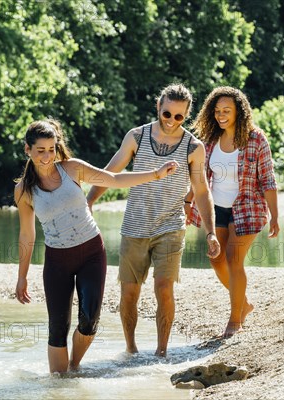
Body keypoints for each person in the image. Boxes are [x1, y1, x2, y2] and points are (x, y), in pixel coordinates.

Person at [14, 119, 179, 373]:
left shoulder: (73, 169)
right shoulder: (24, 190)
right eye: (40, 151)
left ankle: (74, 366)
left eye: (51, 149)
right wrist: (22, 276)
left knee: (89, 320)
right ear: (28, 150)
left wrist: (155, 174)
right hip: (57, 260)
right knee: (57, 329)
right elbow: (27, 234)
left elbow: (113, 178)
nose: (47, 156)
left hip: (91, 252)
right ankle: (60, 386)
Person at [86, 83, 220, 358]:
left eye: (179, 117)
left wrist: (211, 233)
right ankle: (131, 350)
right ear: (158, 107)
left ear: (187, 116)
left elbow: (203, 191)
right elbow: (111, 172)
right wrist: (88, 201)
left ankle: (161, 353)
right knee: (129, 294)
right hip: (134, 226)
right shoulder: (137, 137)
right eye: (167, 114)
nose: (171, 121)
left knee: (164, 289)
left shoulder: (193, 148)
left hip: (170, 227)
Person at [186, 86, 279, 338]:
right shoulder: (210, 140)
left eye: (226, 110)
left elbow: (268, 180)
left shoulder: (256, 139)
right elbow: (199, 178)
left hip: (247, 208)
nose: (221, 115)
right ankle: (244, 303)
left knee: (233, 259)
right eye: (217, 111)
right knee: (216, 260)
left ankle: (234, 319)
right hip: (216, 209)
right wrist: (187, 202)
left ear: (240, 111)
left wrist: (275, 216)